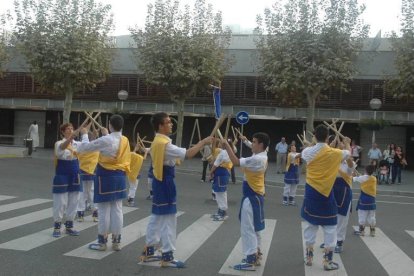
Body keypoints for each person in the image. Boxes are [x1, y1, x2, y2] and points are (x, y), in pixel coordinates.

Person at [139, 112, 212, 268]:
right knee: (169, 219)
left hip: (159, 181)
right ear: (160, 125)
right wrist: (203, 142)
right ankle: (167, 255)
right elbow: (189, 154)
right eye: (168, 122)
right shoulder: (164, 144)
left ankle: (149, 251)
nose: (171, 124)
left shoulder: (158, 141)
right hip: (165, 182)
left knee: (157, 216)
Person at [300, 125, 350, 271]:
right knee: (330, 227)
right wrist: (346, 142)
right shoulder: (335, 153)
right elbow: (348, 153)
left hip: (311, 193)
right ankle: (327, 261)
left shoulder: (307, 152)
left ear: (314, 136)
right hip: (326, 193)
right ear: (328, 137)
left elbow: (306, 152)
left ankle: (309, 258)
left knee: (310, 224)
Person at [77, 114, 131, 252]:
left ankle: (102, 242)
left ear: (110, 125)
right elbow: (113, 140)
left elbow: (84, 148)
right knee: (117, 209)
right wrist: (107, 133)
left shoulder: (106, 140)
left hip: (105, 176)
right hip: (120, 176)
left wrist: (84, 134)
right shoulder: (125, 139)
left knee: (103, 210)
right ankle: (117, 242)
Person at [222, 132, 269, 271]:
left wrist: (227, 146)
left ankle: (250, 259)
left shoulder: (258, 159)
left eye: (254, 142)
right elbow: (250, 147)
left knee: (247, 229)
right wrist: (245, 140)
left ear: (261, 145)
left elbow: (236, 162)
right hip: (256, 195)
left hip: (251, 196)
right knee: (255, 228)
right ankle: (256, 254)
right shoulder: (262, 155)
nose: (252, 144)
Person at [52, 123, 87, 238]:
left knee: (74, 201)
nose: (70, 130)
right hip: (62, 174)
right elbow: (61, 149)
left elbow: (88, 146)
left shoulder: (77, 144)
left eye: (72, 128)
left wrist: (88, 134)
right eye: (68, 129)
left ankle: (69, 226)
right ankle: (57, 226)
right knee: (60, 201)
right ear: (62, 132)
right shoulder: (59, 143)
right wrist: (70, 138)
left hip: (75, 174)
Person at [330, 140, 354, 253]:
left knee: (342, 218)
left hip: (344, 191)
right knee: (331, 215)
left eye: (342, 146)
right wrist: (333, 143)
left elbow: (350, 164)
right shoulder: (333, 160)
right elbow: (327, 152)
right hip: (332, 189)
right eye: (338, 145)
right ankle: (330, 240)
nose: (340, 147)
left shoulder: (348, 163)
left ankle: (339, 241)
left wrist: (347, 144)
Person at [76, 129, 99, 222]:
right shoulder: (96, 148)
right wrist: (95, 137)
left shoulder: (81, 147)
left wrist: (91, 136)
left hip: (82, 172)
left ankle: (80, 214)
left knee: (82, 193)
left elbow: (86, 146)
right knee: (92, 192)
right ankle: (95, 213)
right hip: (93, 172)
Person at [209, 140, 233, 221]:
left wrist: (210, 173)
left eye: (220, 143)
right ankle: (220, 211)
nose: (219, 144)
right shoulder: (230, 152)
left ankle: (223, 212)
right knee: (220, 193)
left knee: (220, 193)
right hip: (222, 174)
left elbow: (215, 164)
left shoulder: (222, 153)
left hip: (221, 174)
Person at [353, 165, 377, 237]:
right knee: (371, 216)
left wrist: (353, 172)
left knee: (362, 215)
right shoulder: (374, 178)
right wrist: (358, 174)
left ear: (366, 171)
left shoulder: (362, 178)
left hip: (364, 200)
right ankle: (372, 231)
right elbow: (364, 178)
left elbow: (355, 179)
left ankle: (362, 231)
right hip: (372, 200)